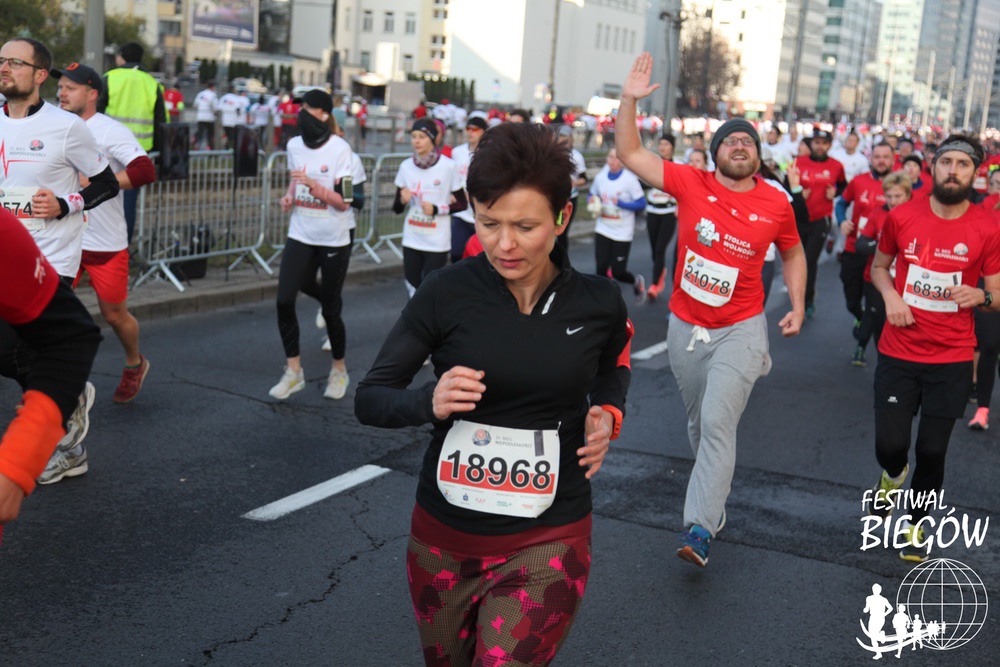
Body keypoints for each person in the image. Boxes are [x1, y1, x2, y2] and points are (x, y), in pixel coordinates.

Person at [355, 122, 632, 665]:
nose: (505, 244)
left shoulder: (598, 302)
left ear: (562, 217)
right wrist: (428, 401)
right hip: (444, 539)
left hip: (551, 535)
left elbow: (612, 366)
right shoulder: (445, 291)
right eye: (489, 223)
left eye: (525, 226)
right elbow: (370, 397)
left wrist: (607, 412)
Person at [616, 53, 806, 568]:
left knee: (718, 424)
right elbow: (629, 151)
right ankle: (712, 498)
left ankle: (699, 527)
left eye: (748, 141)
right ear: (716, 152)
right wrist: (629, 98)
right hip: (685, 326)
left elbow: (792, 251)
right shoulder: (690, 183)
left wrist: (797, 304)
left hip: (741, 328)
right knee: (701, 426)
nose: (739, 145)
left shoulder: (776, 202)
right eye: (730, 140)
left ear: (758, 155)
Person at [867, 134, 1000, 563]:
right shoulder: (903, 215)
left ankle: (916, 523)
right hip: (899, 350)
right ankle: (892, 476)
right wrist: (891, 296)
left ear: (975, 174)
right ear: (933, 166)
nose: (953, 170)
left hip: (952, 356)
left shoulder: (988, 226)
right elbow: (880, 267)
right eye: (947, 162)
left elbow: (997, 292)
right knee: (891, 446)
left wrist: (981, 296)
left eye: (963, 164)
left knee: (932, 450)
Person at [0, 39, 119, 486]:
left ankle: (62, 430)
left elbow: (106, 183)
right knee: (15, 352)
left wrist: (66, 203)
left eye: (15, 62)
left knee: (14, 345)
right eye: (1, 60)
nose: (4, 67)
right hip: (5, 252)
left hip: (49, 257)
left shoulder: (66, 127)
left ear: (39, 75)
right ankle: (69, 396)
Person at [55, 62, 156, 403]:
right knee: (48, 312)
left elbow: (145, 171)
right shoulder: (52, 125)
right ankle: (51, 386)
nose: (61, 93)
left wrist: (101, 182)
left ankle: (134, 363)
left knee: (114, 315)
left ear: (92, 94)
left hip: (104, 241)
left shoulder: (110, 131)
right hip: (62, 239)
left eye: (70, 88)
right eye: (60, 87)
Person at [0, 210, 101, 526]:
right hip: (29, 250)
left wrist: (16, 464)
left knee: (14, 350)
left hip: (48, 254)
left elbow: (70, 337)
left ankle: (69, 404)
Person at [268, 91, 356, 401]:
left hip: (333, 237)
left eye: (308, 107)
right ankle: (294, 372)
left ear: (323, 114)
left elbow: (345, 202)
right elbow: (296, 178)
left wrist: (315, 187)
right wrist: (290, 195)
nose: (302, 112)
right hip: (301, 232)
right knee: (284, 300)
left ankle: (339, 370)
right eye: (301, 107)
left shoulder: (340, 149)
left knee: (331, 309)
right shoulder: (294, 145)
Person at [98, 41, 165, 245]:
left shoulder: (110, 77)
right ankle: (123, 244)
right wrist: (159, 151)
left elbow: (97, 110)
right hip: (139, 151)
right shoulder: (153, 83)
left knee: (101, 193)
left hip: (107, 148)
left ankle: (102, 243)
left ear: (122, 57)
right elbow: (161, 121)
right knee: (128, 199)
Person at [393, 118, 467, 296]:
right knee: (412, 284)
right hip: (412, 237)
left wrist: (436, 209)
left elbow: (462, 204)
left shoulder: (449, 166)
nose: (416, 141)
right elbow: (396, 208)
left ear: (432, 139)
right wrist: (402, 200)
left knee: (429, 289)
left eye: (422, 137)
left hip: (437, 241)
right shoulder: (406, 166)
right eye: (414, 136)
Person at [836, 142, 895, 361]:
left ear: (893, 159)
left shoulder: (898, 186)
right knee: (851, 298)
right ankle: (859, 315)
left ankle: (864, 343)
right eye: (877, 157)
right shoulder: (859, 181)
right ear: (871, 159)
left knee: (874, 301)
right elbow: (841, 204)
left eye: (886, 157)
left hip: (883, 254)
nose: (881, 161)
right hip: (855, 246)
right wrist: (842, 221)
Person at [854, 172, 912, 365]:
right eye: (889, 196)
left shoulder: (917, 215)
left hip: (906, 282)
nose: (893, 201)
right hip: (878, 278)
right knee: (879, 321)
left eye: (898, 196)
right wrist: (885, 247)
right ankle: (882, 360)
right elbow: (861, 244)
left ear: (908, 195)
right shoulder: (878, 213)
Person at [796, 129, 846, 317]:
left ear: (829, 145)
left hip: (821, 219)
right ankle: (797, 294)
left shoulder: (836, 166)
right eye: (817, 142)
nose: (820, 146)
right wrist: (798, 194)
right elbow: (785, 187)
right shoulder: (798, 163)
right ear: (811, 144)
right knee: (795, 260)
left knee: (809, 260)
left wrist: (836, 192)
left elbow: (844, 185)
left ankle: (807, 300)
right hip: (799, 219)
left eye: (824, 143)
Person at [588, 148, 647, 302]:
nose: (612, 161)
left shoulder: (629, 180)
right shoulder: (601, 177)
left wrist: (621, 204)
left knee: (618, 272)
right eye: (610, 157)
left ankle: (636, 281)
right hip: (603, 228)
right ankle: (604, 301)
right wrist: (592, 201)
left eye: (616, 158)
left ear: (622, 161)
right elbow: (592, 193)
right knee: (601, 268)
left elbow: (641, 203)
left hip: (622, 232)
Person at [967, 168, 1000, 431]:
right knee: (989, 346)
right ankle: (982, 410)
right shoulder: (980, 211)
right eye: (996, 183)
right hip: (987, 284)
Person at [644, 133, 679, 301]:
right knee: (654, 249)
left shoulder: (678, 165)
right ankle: (661, 271)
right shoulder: (653, 163)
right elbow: (642, 181)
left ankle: (654, 285)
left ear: (672, 147)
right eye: (661, 144)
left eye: (666, 144)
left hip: (669, 212)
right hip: (652, 210)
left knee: (660, 249)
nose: (663, 147)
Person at [448, 115, 486, 263]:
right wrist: (453, 193)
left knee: (480, 256)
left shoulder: (489, 154)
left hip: (481, 213)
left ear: (483, 131)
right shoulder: (457, 152)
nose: (470, 132)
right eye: (468, 128)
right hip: (461, 212)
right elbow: (451, 176)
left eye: (475, 129)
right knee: (456, 252)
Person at [557, 124, 589, 254]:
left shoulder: (576, 156)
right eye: (560, 137)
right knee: (552, 230)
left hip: (569, 199)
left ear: (570, 139)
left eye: (565, 138)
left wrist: (574, 183)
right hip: (555, 199)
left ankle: (562, 260)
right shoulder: (552, 153)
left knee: (561, 231)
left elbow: (584, 179)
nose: (563, 141)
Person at [193, 80, 218, 149]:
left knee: (200, 133)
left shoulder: (200, 94)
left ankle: (196, 145)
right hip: (210, 118)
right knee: (210, 134)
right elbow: (215, 107)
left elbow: (195, 105)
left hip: (200, 117)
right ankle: (209, 147)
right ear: (212, 87)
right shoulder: (213, 95)